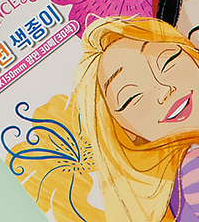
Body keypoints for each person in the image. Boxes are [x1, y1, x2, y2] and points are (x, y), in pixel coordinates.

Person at [72, 16, 199, 221]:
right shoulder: (192, 169)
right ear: (125, 132)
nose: (164, 90)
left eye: (167, 62)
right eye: (131, 97)